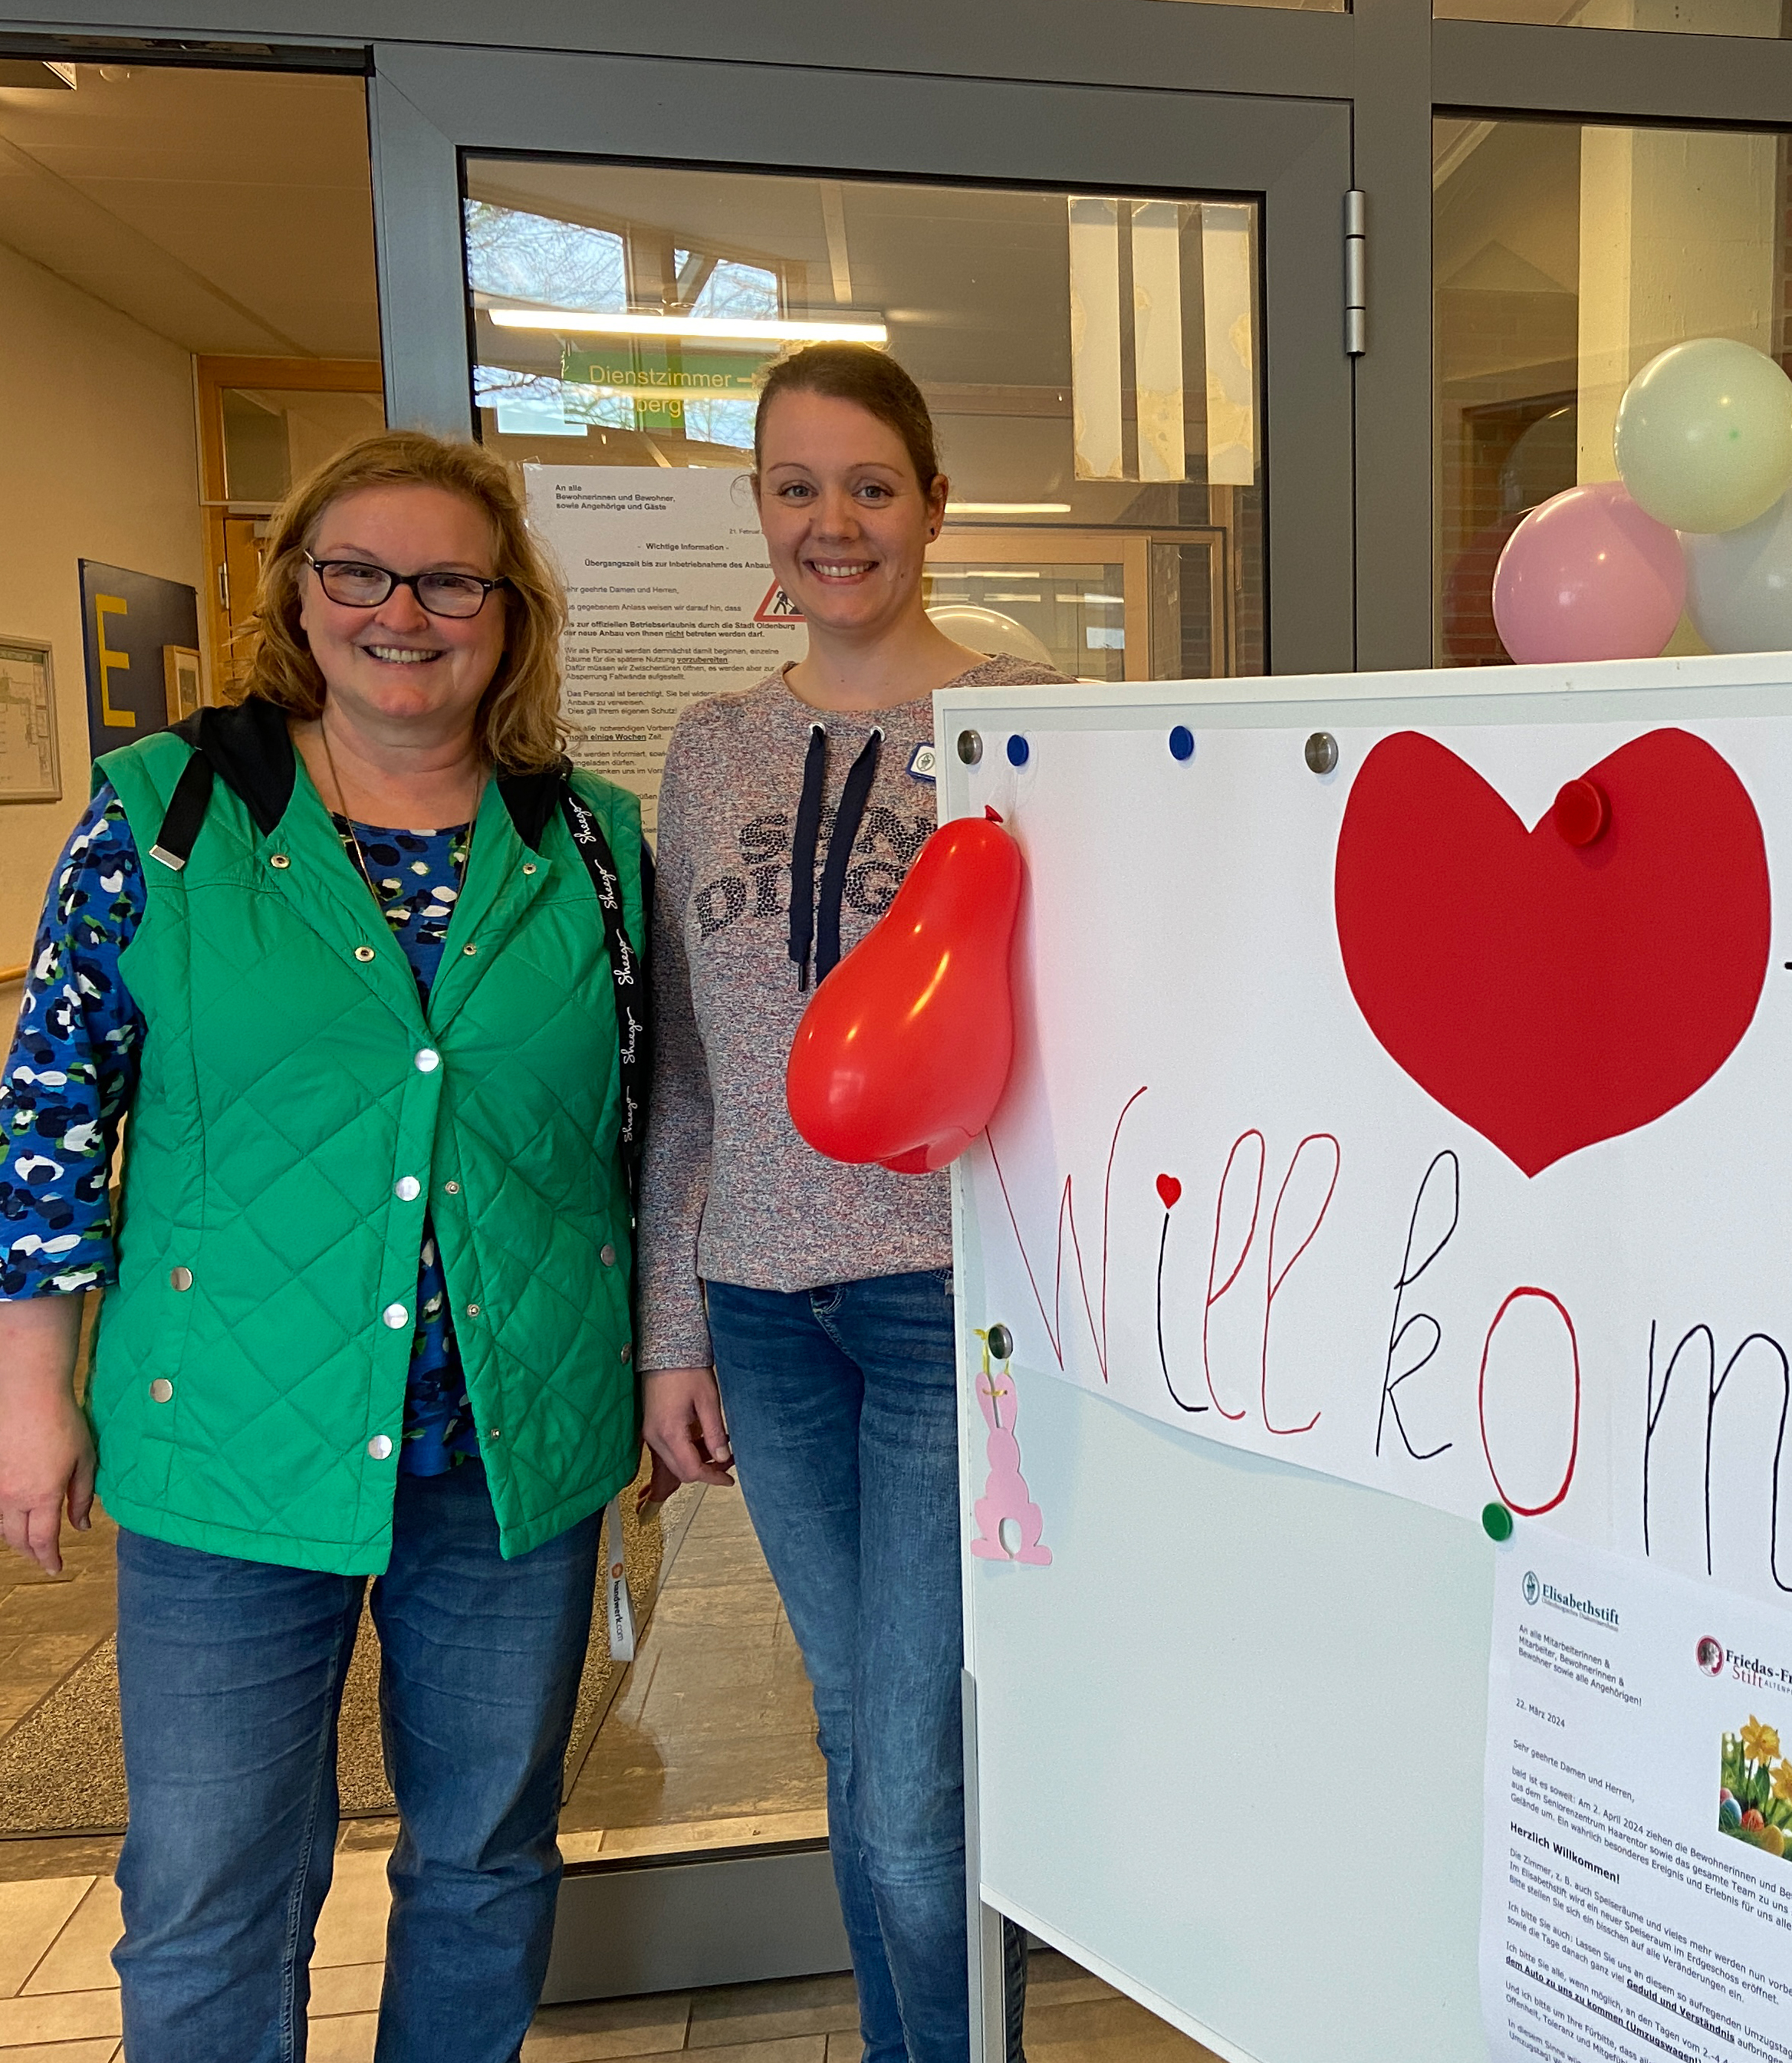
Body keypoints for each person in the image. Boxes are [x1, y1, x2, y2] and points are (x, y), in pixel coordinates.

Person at [0, 431, 646, 2063]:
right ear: (299, 592)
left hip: (509, 1447)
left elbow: (631, 1133)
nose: (401, 610)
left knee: (485, 1857)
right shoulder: (172, 811)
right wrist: (26, 1391)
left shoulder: (591, 842)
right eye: (358, 571)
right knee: (213, 1880)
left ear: (510, 609)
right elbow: (55, 1108)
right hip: (232, 1429)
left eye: (450, 578)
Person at [636, 343, 1064, 2063]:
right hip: (762, 1304)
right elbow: (684, 1070)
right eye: (797, 485)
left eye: (871, 484)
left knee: (910, 1779)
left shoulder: (1021, 726)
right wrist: (674, 1326)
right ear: (758, 509)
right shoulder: (709, 747)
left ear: (935, 505)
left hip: (943, 1301)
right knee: (855, 1734)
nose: (836, 521)